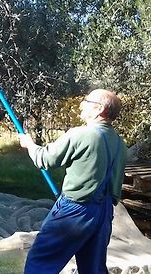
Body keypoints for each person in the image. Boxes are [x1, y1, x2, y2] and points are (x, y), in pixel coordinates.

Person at [19, 88, 128, 274]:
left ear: (99, 109)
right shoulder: (120, 143)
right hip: (105, 214)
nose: (81, 105)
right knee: (93, 269)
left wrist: (29, 144)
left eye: (86, 101)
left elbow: (44, 159)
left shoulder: (82, 134)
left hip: (75, 210)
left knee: (41, 261)